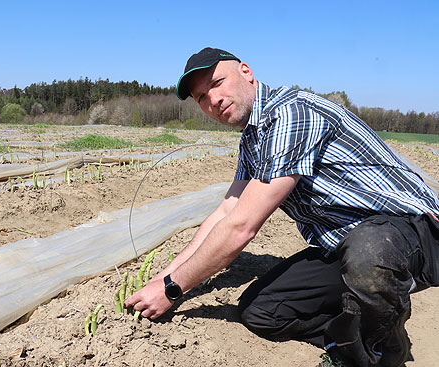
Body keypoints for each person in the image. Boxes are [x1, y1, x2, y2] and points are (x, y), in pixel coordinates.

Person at [124, 47, 439, 367]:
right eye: (202, 97)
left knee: (369, 251)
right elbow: (225, 213)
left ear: (245, 72)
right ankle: (357, 327)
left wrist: (173, 291)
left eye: (217, 83)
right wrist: (165, 276)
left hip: (413, 234)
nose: (213, 100)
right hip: (348, 244)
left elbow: (241, 227)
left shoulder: (291, 113)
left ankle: (381, 346)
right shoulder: (252, 140)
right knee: (261, 311)